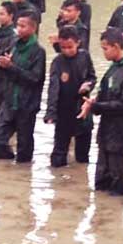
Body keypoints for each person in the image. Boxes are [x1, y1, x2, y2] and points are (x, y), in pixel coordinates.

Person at [82, 30, 123, 196]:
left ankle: (116, 212)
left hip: (121, 133)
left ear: (116, 46)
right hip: (107, 131)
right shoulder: (112, 70)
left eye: (105, 48)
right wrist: (92, 103)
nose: (104, 52)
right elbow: (102, 95)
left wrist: (97, 106)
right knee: (101, 178)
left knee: (117, 178)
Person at [0, 13, 46, 163]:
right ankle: (6, 174)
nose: (19, 29)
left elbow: (35, 78)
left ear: (33, 28)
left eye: (23, 26)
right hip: (9, 102)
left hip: (26, 105)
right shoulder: (14, 44)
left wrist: (12, 67)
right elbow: (4, 65)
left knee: (24, 146)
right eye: (18, 26)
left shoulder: (38, 51)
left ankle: (24, 176)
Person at [45, 26, 96, 168]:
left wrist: (88, 85)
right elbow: (53, 88)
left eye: (70, 47)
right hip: (64, 111)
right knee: (58, 155)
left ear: (78, 43)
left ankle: (80, 180)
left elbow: (92, 77)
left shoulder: (85, 56)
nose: (67, 50)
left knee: (83, 156)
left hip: (83, 109)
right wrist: (51, 112)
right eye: (63, 47)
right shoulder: (57, 62)